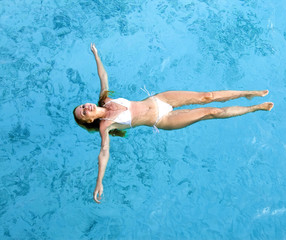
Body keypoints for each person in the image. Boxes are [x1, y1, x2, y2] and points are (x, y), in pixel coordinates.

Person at [73, 44, 274, 203]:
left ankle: (248, 93)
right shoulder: (105, 126)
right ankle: (254, 108)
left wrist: (96, 55)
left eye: (82, 105)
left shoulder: (105, 98)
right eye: (83, 113)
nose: (85, 108)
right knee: (211, 112)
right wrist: (99, 182)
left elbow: (103, 76)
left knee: (207, 96)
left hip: (161, 100)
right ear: (89, 120)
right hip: (163, 120)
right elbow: (104, 153)